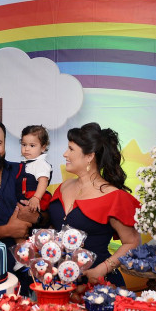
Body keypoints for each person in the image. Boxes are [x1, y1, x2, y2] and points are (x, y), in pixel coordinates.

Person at [48, 122, 141, 296]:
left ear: (89, 156)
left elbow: (132, 242)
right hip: (58, 284)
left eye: (71, 149)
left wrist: (102, 269)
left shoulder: (114, 197)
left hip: (98, 287)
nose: (65, 154)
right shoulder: (64, 186)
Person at [0, 118, 45, 295]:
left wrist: (37, 217)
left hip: (27, 276)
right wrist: (8, 230)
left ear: (5, 144)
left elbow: (46, 215)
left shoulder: (23, 171)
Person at [16, 125, 52, 213]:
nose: (26, 149)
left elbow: (43, 182)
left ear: (43, 147)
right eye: (24, 145)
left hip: (35, 202)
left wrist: (36, 198)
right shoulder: (26, 163)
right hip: (23, 200)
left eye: (32, 146)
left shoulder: (41, 163)